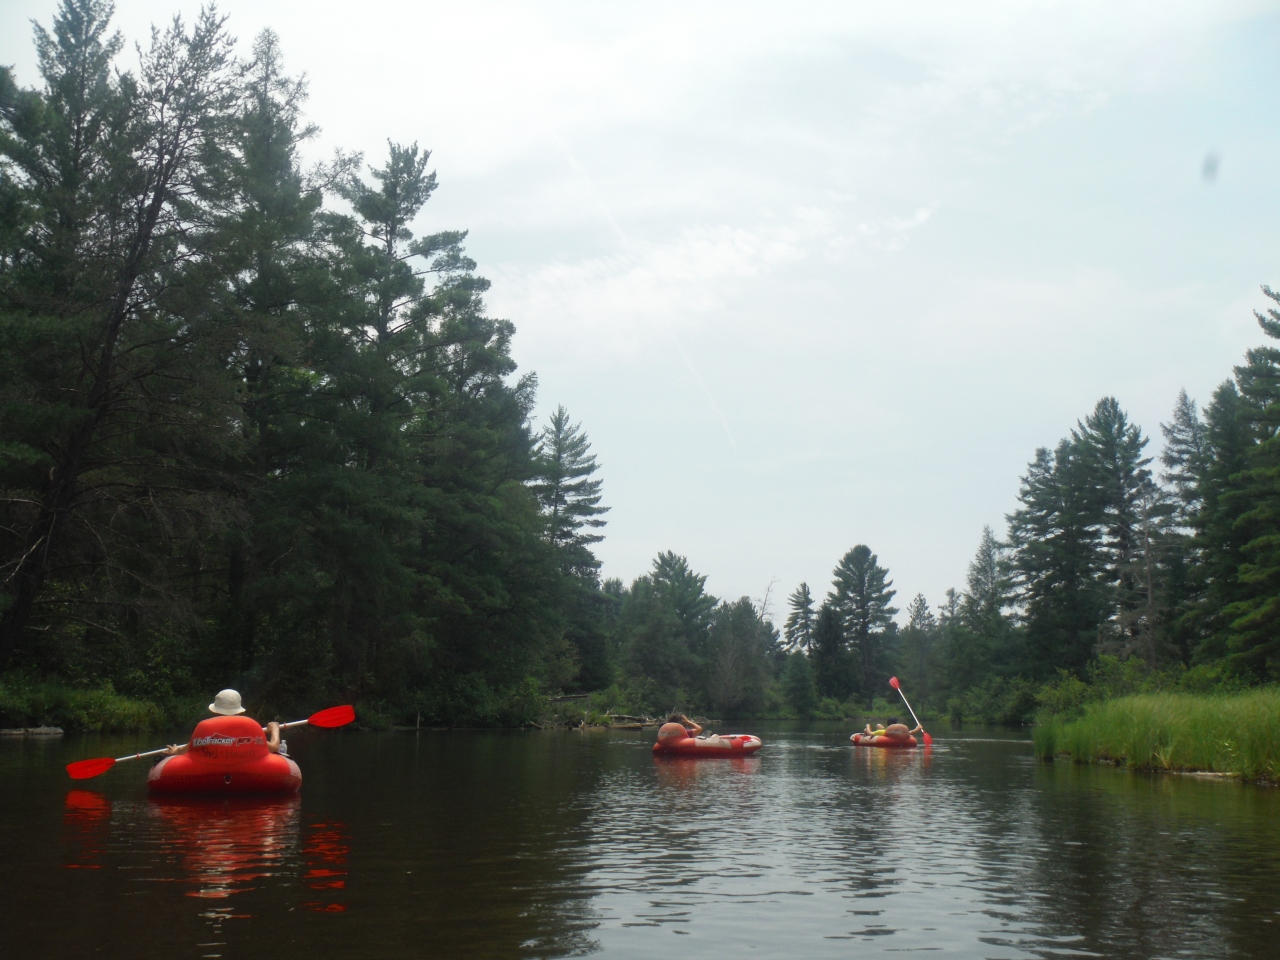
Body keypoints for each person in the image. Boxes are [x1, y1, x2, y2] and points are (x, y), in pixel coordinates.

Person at [164, 689, 281, 756]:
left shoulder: (205, 727)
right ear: (239, 710)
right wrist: (275, 729)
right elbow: (274, 747)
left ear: (215, 711)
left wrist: (175, 751)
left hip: (209, 772)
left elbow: (184, 750)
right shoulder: (250, 727)